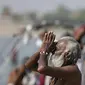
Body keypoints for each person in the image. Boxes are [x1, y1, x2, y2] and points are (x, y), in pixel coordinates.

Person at [7, 32, 81, 85]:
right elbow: (29, 65)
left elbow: (42, 69)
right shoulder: (59, 68)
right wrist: (42, 48)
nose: (53, 52)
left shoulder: (73, 70)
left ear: (67, 54)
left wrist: (44, 50)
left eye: (57, 49)